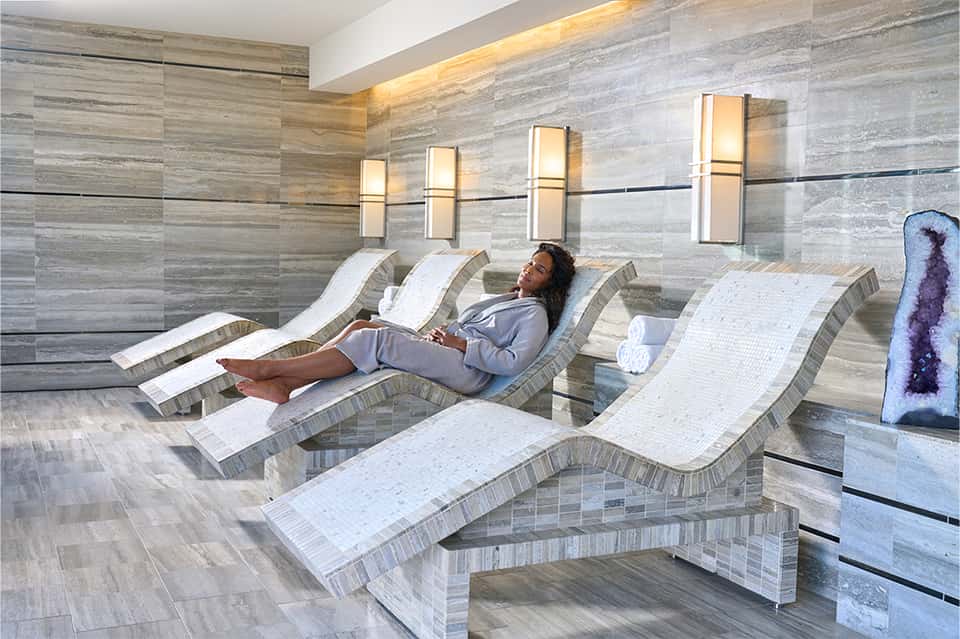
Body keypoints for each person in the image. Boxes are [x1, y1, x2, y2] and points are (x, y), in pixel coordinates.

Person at [217, 243, 576, 404]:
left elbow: (514, 362)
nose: (528, 270)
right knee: (364, 329)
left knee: (378, 342)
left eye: (539, 269)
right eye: (530, 263)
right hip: (449, 351)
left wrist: (462, 345)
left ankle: (272, 369)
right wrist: (445, 337)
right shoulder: (510, 299)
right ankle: (285, 384)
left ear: (551, 282)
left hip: (469, 371)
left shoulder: (535, 314)